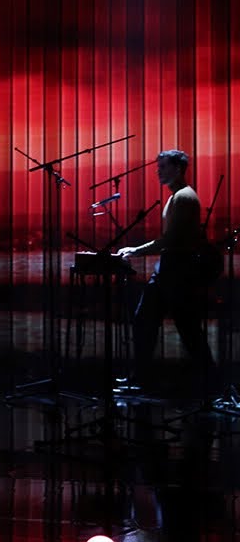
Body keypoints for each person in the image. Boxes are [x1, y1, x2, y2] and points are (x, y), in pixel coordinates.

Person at [115, 149, 216, 393]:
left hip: (177, 272)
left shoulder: (183, 198)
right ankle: (141, 379)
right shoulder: (177, 197)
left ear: (178, 169)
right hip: (169, 270)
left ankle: (212, 384)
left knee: (187, 329)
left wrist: (136, 250)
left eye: (163, 166)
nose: (157, 171)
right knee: (152, 321)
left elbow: (170, 240)